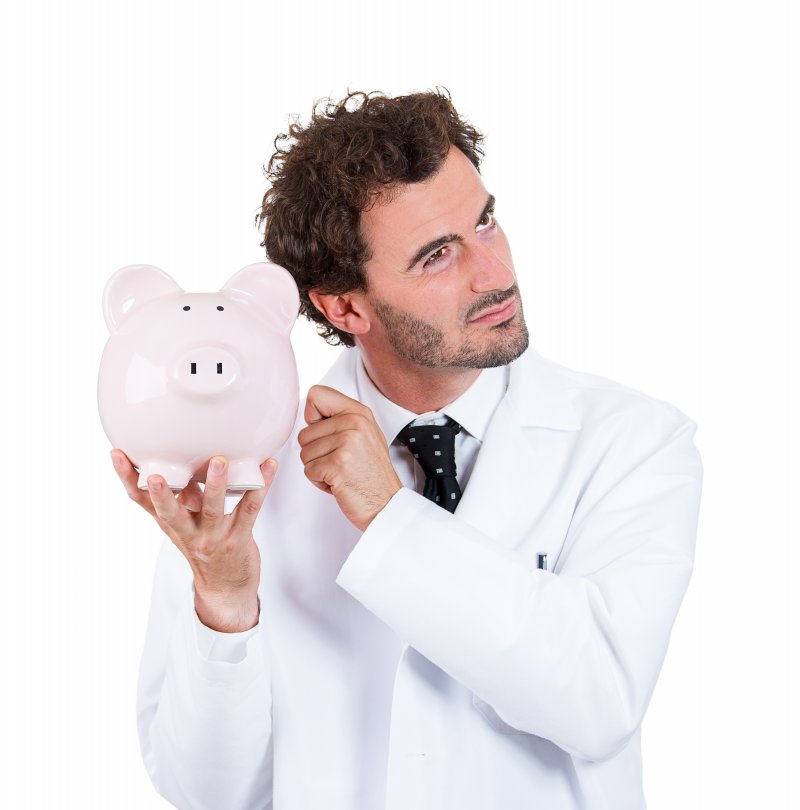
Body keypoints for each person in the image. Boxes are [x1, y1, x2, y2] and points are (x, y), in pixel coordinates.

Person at [111, 88, 704, 809]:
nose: (493, 273)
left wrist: (392, 519)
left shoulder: (634, 443)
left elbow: (599, 703)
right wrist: (225, 601)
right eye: (437, 256)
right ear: (344, 306)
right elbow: (208, 793)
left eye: (484, 222)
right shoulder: (242, 470)